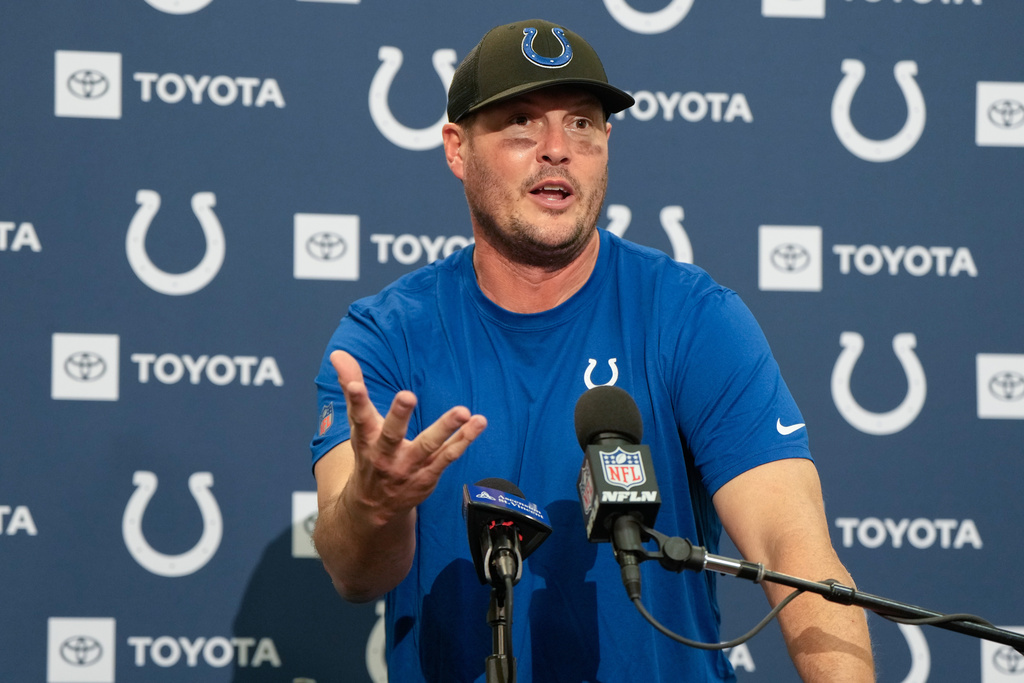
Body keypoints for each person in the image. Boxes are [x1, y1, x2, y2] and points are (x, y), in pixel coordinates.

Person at [310, 18, 874, 682]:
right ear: (456, 149)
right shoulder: (385, 337)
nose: (557, 149)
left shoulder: (692, 318)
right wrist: (377, 504)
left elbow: (796, 551)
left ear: (607, 142)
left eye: (582, 123)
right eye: (521, 122)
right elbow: (354, 573)